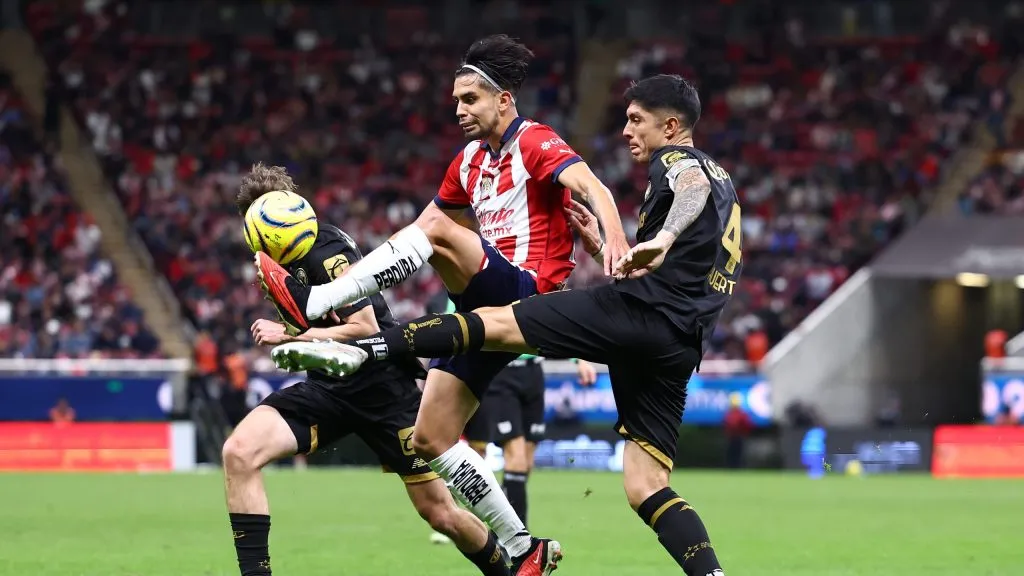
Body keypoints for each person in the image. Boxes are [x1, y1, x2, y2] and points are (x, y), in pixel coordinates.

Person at [271, 74, 742, 576]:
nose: (626, 130)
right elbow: (683, 271)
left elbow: (688, 187)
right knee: (646, 485)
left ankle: (359, 344)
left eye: (636, 120)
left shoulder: (680, 160)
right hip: (679, 344)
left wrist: (663, 237)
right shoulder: (729, 189)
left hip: (637, 314)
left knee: (489, 322)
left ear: (670, 126)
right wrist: (602, 250)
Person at [259, 35, 629, 575]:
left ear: (504, 99)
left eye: (470, 99)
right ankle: (524, 547)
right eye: (456, 100)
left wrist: (613, 239)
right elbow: (418, 232)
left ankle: (320, 300)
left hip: (527, 294)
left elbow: (593, 185)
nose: (458, 110)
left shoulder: (533, 140)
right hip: (483, 314)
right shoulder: (468, 162)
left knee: (436, 231)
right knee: (430, 438)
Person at [223, 164, 509, 576]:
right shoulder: (277, 259)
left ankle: (509, 570)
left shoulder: (325, 249)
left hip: (384, 387)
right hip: (328, 389)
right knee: (239, 453)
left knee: (441, 514)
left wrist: (289, 337)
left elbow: (365, 328)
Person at [463, 351, 599, 529]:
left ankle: (501, 520)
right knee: (516, 457)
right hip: (501, 371)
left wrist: (578, 358)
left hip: (533, 372)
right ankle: (515, 535)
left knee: (526, 463)